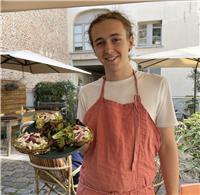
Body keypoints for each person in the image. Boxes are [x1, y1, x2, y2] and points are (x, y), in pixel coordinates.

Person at [76, 11, 179, 195]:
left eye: (115, 39)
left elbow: (167, 146)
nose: (108, 49)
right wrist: (57, 142)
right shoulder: (86, 93)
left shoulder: (157, 85)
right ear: (94, 48)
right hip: (91, 190)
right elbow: (84, 149)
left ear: (130, 41)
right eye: (100, 42)